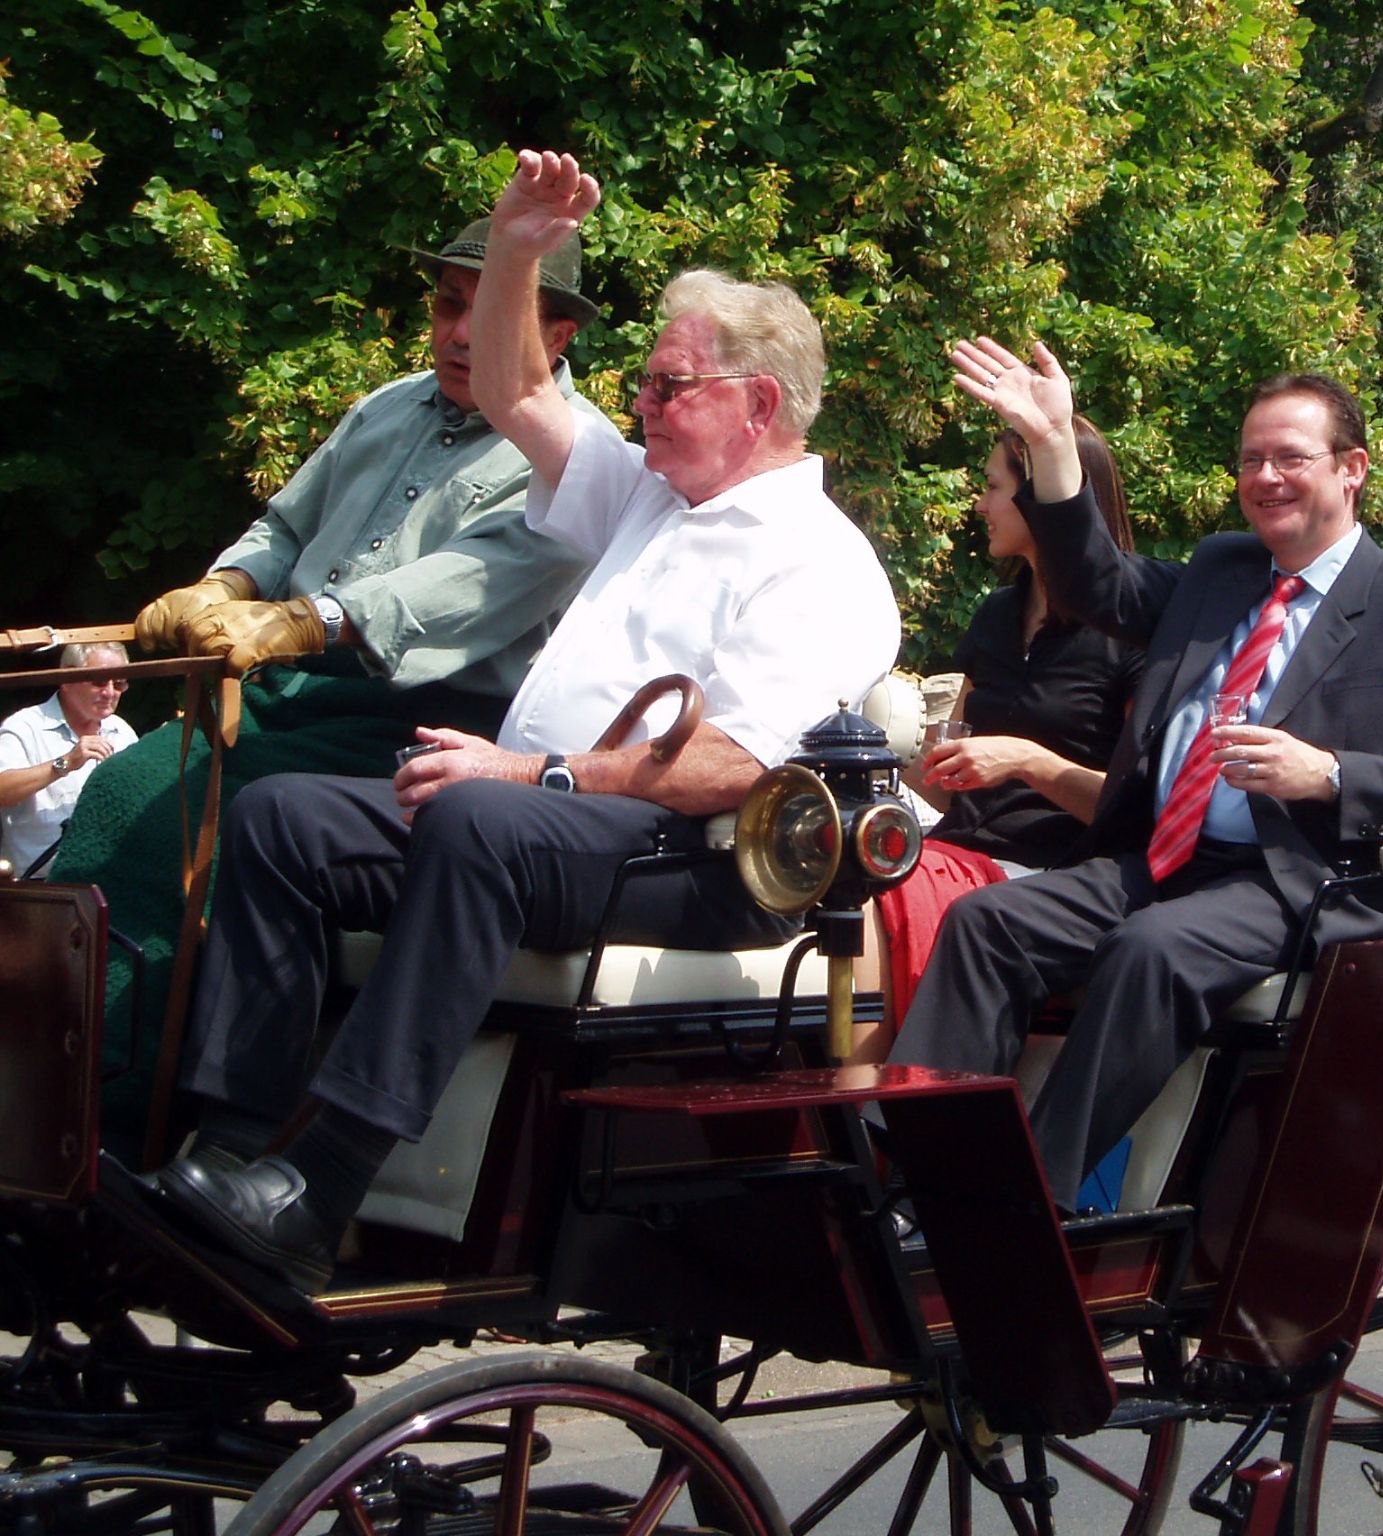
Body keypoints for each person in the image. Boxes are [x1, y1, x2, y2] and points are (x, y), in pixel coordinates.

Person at [152, 150, 901, 1290]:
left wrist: (531, 774)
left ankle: (322, 1191)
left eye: (665, 387)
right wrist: (514, 247)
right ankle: (231, 1150)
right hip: (556, 822)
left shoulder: (820, 564)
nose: (637, 405)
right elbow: (513, 391)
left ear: (755, 406)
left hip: (690, 865)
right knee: (285, 818)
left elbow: (724, 767)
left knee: (474, 827)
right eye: (643, 386)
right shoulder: (654, 493)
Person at [887, 336, 1383, 1210]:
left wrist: (1327, 771)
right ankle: (926, 1173)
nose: (1266, 477)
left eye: (1290, 457)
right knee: (988, 922)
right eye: (1252, 459)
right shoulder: (1224, 569)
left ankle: (1031, 1200)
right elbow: (1097, 582)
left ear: (1352, 469)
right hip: (1162, 861)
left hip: (1302, 881)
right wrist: (1056, 448)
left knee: (1153, 951)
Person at [52, 217, 608, 1134]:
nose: (463, 333)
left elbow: (455, 591)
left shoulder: (575, 457)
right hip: (282, 698)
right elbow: (283, 529)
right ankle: (59, 1099)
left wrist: (298, 621)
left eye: (493, 313)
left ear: (556, 335)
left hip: (421, 722)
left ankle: (136, 1124)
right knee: (119, 789)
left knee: (178, 819)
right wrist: (220, 586)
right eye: (447, 305)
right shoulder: (388, 405)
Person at [878, 419, 1143, 1026]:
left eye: (994, 487)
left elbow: (1139, 811)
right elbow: (938, 777)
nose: (981, 503)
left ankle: (873, 1105)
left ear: (1043, 498)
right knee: (846, 867)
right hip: (958, 852)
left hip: (1057, 876)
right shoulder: (997, 615)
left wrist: (1028, 761)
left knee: (893, 891)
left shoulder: (1131, 634)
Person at [0, 644, 139, 876]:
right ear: (66, 679)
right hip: (40, 888)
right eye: (99, 681)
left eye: (120, 683)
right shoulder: (25, 726)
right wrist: (65, 763)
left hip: (109, 879)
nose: (110, 692)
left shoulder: (121, 730)